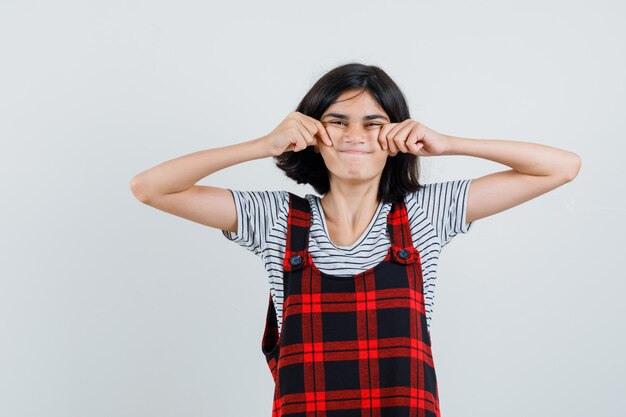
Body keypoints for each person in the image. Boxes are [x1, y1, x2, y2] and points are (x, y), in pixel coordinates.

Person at [130, 62, 581, 416]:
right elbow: (150, 187)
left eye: (372, 122)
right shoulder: (274, 220)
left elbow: (561, 166)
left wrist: (449, 143)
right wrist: (262, 144)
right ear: (312, 133)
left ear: (397, 133)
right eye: (337, 121)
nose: (354, 136)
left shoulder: (425, 215)